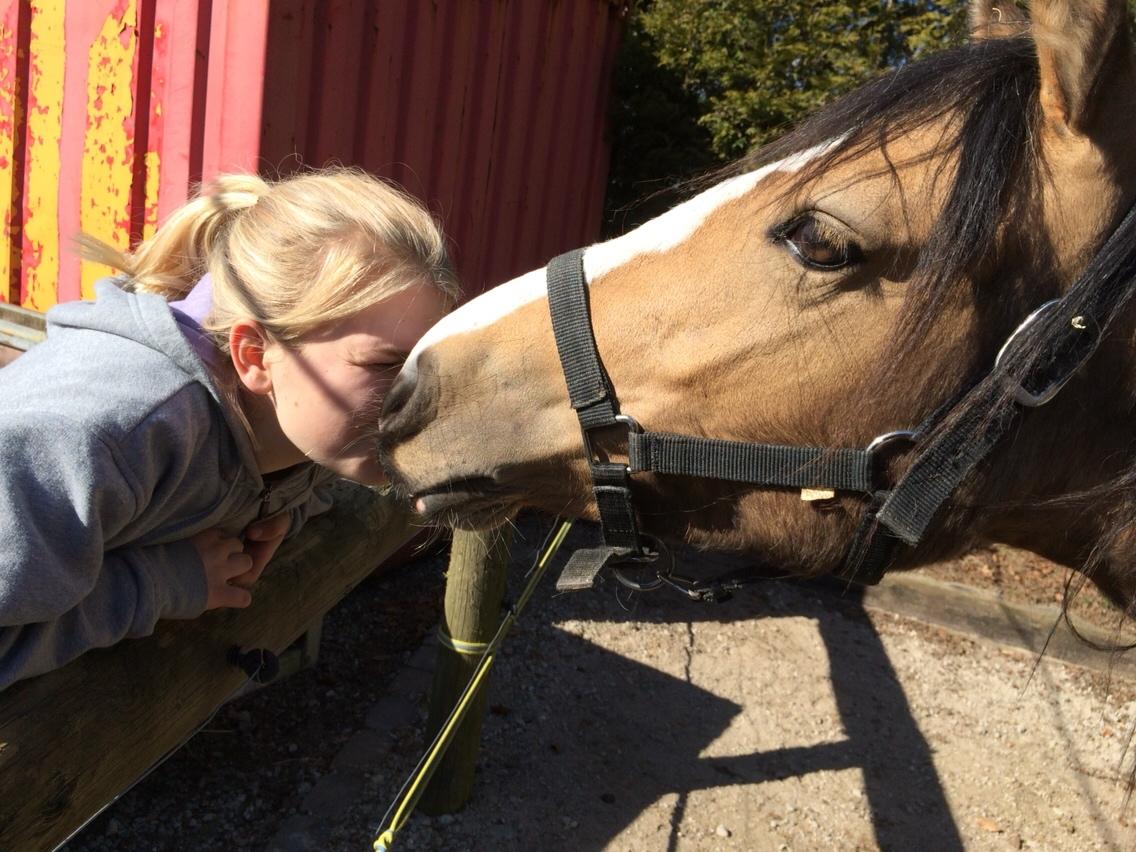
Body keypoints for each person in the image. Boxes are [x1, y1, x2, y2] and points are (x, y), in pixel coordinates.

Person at [0, 168, 458, 690]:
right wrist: (161, 584)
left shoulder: (306, 419)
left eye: (429, 365)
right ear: (255, 354)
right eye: (385, 366)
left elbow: (301, 477)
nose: (426, 399)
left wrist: (280, 510)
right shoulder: (98, 441)